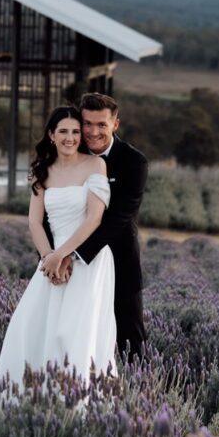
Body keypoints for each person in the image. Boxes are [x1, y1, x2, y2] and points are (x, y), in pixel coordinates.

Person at [0, 106, 116, 390]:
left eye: (75, 132)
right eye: (63, 131)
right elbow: (35, 222)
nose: (70, 138)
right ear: (51, 135)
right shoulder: (42, 171)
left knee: (71, 335)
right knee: (29, 328)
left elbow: (94, 218)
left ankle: (79, 404)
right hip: (51, 262)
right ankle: (36, 400)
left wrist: (63, 254)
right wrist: (49, 258)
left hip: (88, 261)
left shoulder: (95, 165)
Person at [41, 92, 148, 360]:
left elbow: (118, 219)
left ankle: (136, 394)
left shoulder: (134, 162)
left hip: (117, 261)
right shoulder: (66, 154)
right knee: (65, 338)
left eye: (102, 124)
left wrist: (70, 255)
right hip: (66, 267)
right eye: (87, 124)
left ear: (115, 124)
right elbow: (47, 214)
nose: (93, 131)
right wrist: (51, 257)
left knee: (130, 342)